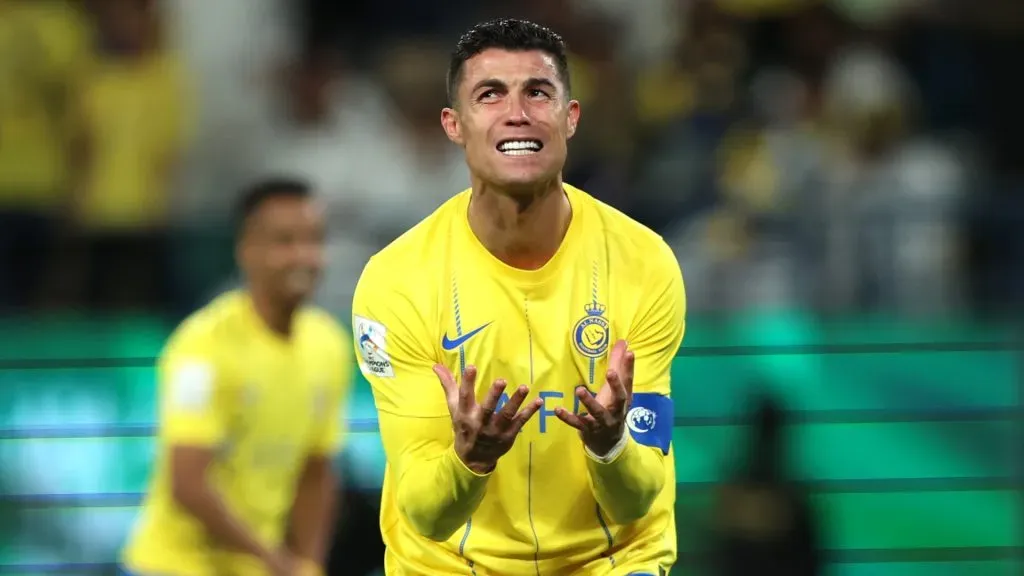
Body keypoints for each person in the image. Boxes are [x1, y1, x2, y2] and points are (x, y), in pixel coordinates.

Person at [351, 18, 686, 576]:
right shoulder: (396, 282)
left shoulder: (644, 262)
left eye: (538, 92)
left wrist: (611, 447)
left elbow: (637, 498)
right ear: (453, 125)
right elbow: (425, 514)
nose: (517, 113)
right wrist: (470, 459)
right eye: (490, 95)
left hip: (610, 562)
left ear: (570, 117)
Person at [121, 178, 353, 576]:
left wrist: (310, 563)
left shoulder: (329, 345)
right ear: (247, 251)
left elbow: (317, 472)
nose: (304, 256)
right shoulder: (202, 346)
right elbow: (188, 484)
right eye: (285, 241)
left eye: (314, 240)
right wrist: (274, 561)